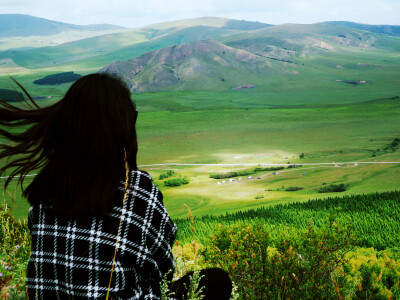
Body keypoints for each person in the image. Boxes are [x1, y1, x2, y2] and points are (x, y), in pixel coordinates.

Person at [0, 73, 232, 299]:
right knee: (216, 281)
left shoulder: (44, 195)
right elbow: (164, 265)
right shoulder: (136, 191)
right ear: (121, 127)